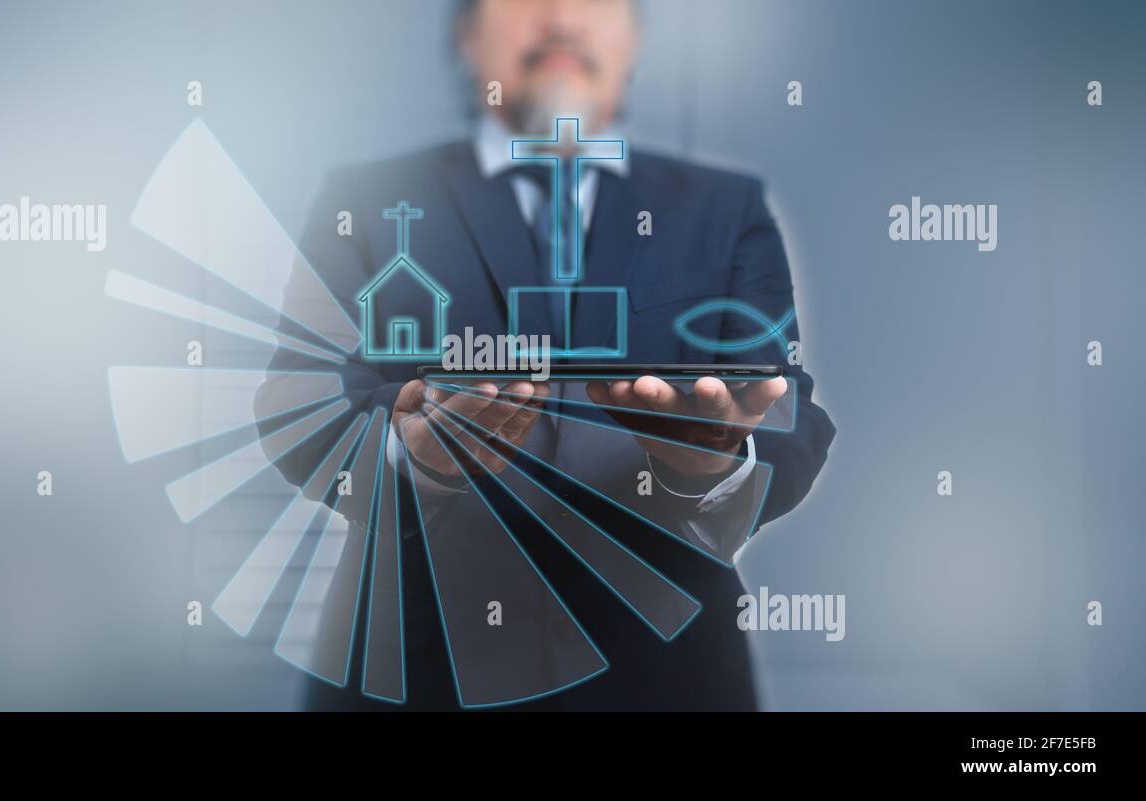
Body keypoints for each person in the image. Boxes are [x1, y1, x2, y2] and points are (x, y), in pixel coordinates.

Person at [257, 0, 835, 710]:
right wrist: (410, 458)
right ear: (467, 34)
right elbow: (299, 399)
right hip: (413, 672)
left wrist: (716, 463)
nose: (562, 18)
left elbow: (789, 410)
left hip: (668, 678)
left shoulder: (728, 208)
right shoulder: (368, 199)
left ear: (633, 39)